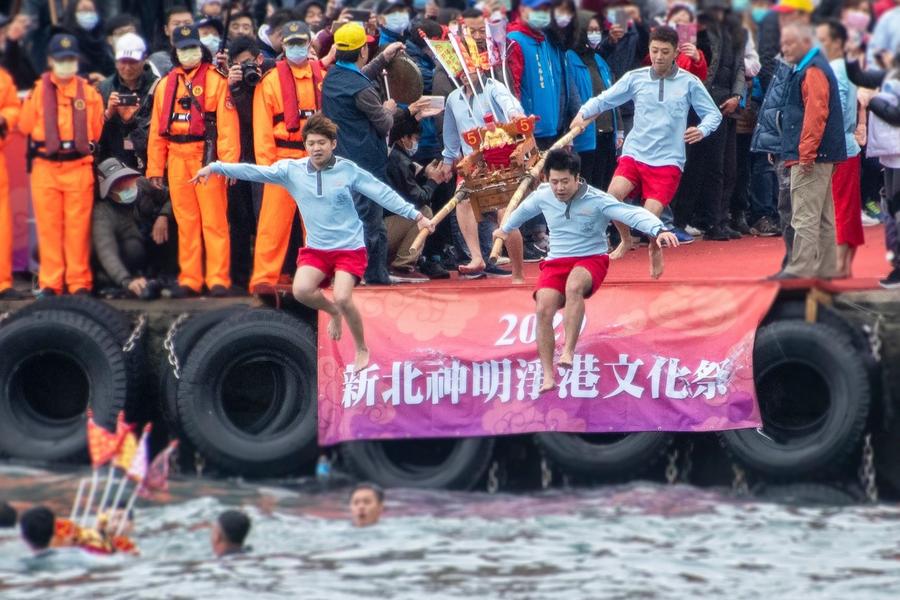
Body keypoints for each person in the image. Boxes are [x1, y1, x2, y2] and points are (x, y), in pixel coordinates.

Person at [192, 114, 435, 372]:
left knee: (343, 296)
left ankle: (362, 348)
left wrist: (417, 216)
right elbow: (255, 171)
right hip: (317, 249)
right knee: (301, 291)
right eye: (311, 144)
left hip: (349, 248)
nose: (316, 148)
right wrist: (215, 167)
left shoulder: (348, 170)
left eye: (321, 143)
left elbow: (381, 192)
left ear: (333, 144)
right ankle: (332, 312)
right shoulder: (292, 171)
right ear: (305, 146)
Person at [493, 149, 678, 392]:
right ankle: (548, 375)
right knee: (543, 307)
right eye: (554, 182)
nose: (559, 188)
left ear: (577, 178)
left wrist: (658, 229)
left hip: (591, 258)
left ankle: (568, 350)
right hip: (556, 260)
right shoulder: (543, 194)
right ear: (547, 179)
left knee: (574, 285)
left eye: (565, 182)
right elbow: (523, 211)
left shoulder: (597, 200)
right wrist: (505, 229)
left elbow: (632, 214)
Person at [570, 25, 721, 279]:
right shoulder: (635, 78)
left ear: (675, 53)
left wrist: (702, 130)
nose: (659, 56)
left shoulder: (689, 82)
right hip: (635, 153)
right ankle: (625, 239)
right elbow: (606, 98)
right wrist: (583, 113)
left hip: (668, 161)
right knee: (610, 200)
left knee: (649, 219)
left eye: (665, 51)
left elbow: (713, 114)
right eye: (654, 51)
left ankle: (653, 247)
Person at [147, 24, 240, 298]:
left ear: (201, 49)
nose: (189, 52)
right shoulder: (165, 85)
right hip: (176, 156)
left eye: (193, 47)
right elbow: (156, 131)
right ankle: (190, 278)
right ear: (175, 52)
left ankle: (218, 279)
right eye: (183, 48)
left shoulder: (216, 80)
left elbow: (227, 126)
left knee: (214, 221)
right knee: (186, 221)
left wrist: (228, 163)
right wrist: (155, 166)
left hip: (206, 156)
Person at [322, 23, 413, 286]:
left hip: (341, 160)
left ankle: (358, 273)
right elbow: (384, 123)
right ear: (362, 49)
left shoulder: (333, 77)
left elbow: (358, 76)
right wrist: (389, 108)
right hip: (364, 165)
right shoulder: (361, 89)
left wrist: (383, 58)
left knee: (355, 220)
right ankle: (369, 275)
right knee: (371, 224)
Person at [19, 33, 105, 297]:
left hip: (78, 167)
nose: (66, 64)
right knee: (49, 228)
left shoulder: (90, 94)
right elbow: (24, 126)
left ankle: (79, 282)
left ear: (77, 61)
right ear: (50, 61)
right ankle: (51, 283)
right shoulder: (36, 93)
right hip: (46, 168)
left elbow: (96, 131)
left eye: (70, 59)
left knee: (78, 229)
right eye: (61, 60)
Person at [250, 21, 324, 293]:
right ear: (282, 46)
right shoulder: (270, 82)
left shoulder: (322, 76)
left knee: (317, 223)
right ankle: (264, 278)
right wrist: (268, 166)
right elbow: (262, 127)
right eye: (291, 43)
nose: (296, 47)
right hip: (282, 158)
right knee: (273, 224)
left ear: (309, 43)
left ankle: (317, 275)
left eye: (300, 42)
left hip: (316, 160)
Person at [769, 23, 846, 280]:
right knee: (823, 216)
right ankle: (825, 268)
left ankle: (801, 268)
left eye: (790, 43)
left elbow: (815, 114)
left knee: (804, 215)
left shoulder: (812, 70)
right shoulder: (814, 66)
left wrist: (806, 154)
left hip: (812, 155)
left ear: (806, 42)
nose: (785, 48)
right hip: (824, 153)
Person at [816, 19, 865, 278]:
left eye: (822, 40)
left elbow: (839, 106)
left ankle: (838, 262)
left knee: (838, 205)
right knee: (847, 204)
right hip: (847, 144)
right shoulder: (845, 66)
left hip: (837, 146)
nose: (818, 45)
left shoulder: (834, 67)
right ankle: (843, 262)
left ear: (836, 42)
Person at [92, 157, 170, 299]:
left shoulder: (142, 185)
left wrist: (164, 216)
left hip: (153, 238)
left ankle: (168, 273)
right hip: (128, 255)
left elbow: (173, 197)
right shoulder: (102, 212)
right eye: (117, 184)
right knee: (132, 248)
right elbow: (106, 251)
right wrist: (126, 280)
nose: (125, 185)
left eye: (126, 178)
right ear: (108, 191)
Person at [385, 113, 444, 282]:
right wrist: (433, 181)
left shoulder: (397, 157)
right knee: (424, 212)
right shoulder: (398, 161)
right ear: (405, 138)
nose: (416, 143)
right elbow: (418, 198)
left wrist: (426, 175)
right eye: (416, 139)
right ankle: (402, 265)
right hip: (384, 228)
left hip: (383, 225)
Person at [97, 33, 159, 172]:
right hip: (114, 165)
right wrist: (107, 114)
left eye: (133, 62)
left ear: (144, 59)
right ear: (115, 61)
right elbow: (94, 137)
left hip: (148, 162)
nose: (127, 67)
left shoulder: (158, 87)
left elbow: (158, 135)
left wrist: (131, 121)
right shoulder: (103, 88)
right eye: (123, 61)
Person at [0, 55, 20, 300]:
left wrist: (5, 118)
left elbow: (14, 107)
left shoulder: (3, 79)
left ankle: (2, 282)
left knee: (2, 223)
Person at [61, 0, 115, 83]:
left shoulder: (103, 39)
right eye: (83, 11)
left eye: (91, 11)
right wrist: (89, 77)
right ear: (72, 14)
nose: (88, 15)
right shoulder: (65, 40)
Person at [148, 6, 195, 77]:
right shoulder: (158, 59)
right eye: (176, 24)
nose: (182, 27)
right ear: (166, 30)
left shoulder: (205, 55)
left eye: (187, 23)